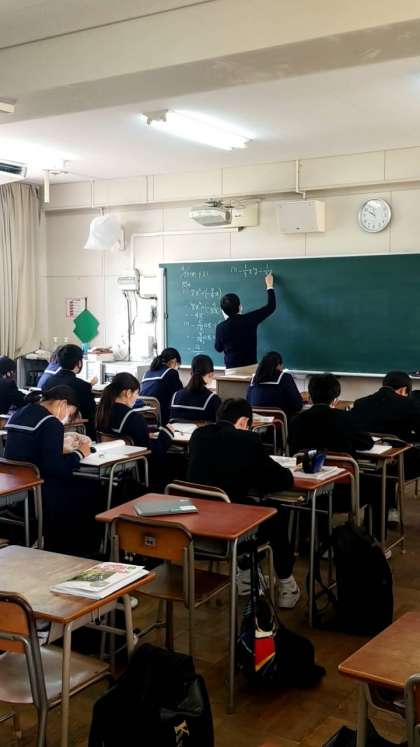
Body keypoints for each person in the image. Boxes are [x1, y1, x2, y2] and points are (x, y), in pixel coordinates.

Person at [187, 398, 300, 608]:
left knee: (248, 505)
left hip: (198, 522)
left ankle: (247, 574)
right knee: (278, 513)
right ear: (243, 421)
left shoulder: (198, 436)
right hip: (232, 523)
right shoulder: (247, 440)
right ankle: (286, 583)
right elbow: (279, 480)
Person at [4, 386, 100, 555]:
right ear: (62, 403)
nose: (66, 419)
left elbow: (29, 448)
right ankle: (83, 551)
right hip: (42, 491)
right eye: (69, 413)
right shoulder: (51, 423)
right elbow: (56, 468)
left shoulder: (19, 413)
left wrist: (59, 447)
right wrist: (80, 453)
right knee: (93, 488)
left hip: (16, 488)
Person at [352, 370, 420, 483]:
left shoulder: (360, 403)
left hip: (367, 460)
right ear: (403, 389)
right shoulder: (409, 404)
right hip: (400, 463)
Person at [288, 373, 373, 456]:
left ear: (310, 397)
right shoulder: (347, 419)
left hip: (305, 465)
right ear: (335, 398)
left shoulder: (296, 421)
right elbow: (367, 443)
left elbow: (292, 449)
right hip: (342, 465)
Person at [96, 372, 174, 457]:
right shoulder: (134, 418)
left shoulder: (101, 412)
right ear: (128, 393)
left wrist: (145, 435)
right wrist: (166, 434)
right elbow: (153, 453)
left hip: (110, 459)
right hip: (136, 462)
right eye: (136, 393)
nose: (137, 397)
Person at [214, 273, 276, 375]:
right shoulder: (250, 319)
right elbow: (271, 306)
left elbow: (218, 348)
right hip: (251, 369)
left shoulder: (220, 327)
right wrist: (269, 286)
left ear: (222, 311)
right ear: (240, 307)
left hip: (231, 372)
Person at [42, 344, 97, 439]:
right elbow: (91, 412)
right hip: (76, 432)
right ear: (79, 363)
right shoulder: (82, 385)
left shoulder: (48, 381)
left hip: (49, 429)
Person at [247, 351, 303, 419]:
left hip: (257, 423)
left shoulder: (254, 379)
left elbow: (248, 402)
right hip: (280, 423)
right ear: (279, 365)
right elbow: (298, 405)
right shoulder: (284, 377)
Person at [169, 354, 221, 423]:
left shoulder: (175, 396)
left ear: (191, 373)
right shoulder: (213, 400)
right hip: (203, 430)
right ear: (211, 374)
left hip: (177, 430)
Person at [140, 348, 183, 425]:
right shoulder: (171, 372)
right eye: (178, 365)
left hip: (144, 415)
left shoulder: (147, 373)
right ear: (174, 361)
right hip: (163, 417)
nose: (177, 368)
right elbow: (180, 394)